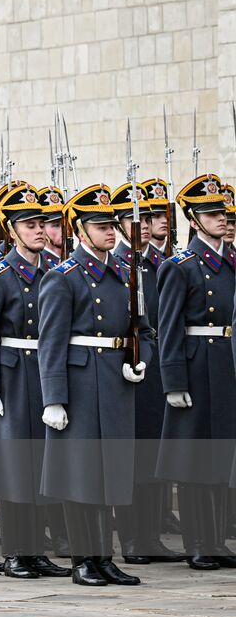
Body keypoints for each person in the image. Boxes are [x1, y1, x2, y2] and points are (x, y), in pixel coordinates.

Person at [38, 183, 145, 588]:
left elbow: (143, 328)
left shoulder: (125, 274)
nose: (110, 232)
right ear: (80, 231)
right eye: (100, 226)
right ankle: (84, 559)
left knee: (110, 473)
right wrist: (54, 398)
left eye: (111, 224)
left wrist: (140, 360)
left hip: (115, 382)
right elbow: (51, 341)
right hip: (80, 383)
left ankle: (105, 558)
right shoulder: (63, 277)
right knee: (80, 474)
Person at [0, 183, 72, 579]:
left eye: (41, 223)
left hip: (44, 372)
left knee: (41, 464)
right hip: (13, 375)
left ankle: (37, 550)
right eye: (29, 224)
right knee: (17, 467)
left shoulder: (52, 272)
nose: (38, 231)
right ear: (11, 231)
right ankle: (16, 552)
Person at [155, 173, 236, 571]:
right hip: (195, 365)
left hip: (226, 364)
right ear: (193, 219)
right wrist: (172, 380)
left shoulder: (232, 260)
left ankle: (218, 540)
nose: (222, 218)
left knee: (221, 457)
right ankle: (199, 543)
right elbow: (168, 325)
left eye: (223, 211)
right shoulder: (180, 266)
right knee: (193, 463)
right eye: (211, 213)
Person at [111, 181, 184, 564]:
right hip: (128, 370)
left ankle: (152, 535)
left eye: (156, 217)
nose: (149, 224)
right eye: (138, 218)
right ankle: (133, 539)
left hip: (155, 369)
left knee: (156, 455)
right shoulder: (121, 263)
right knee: (133, 459)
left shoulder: (157, 261)